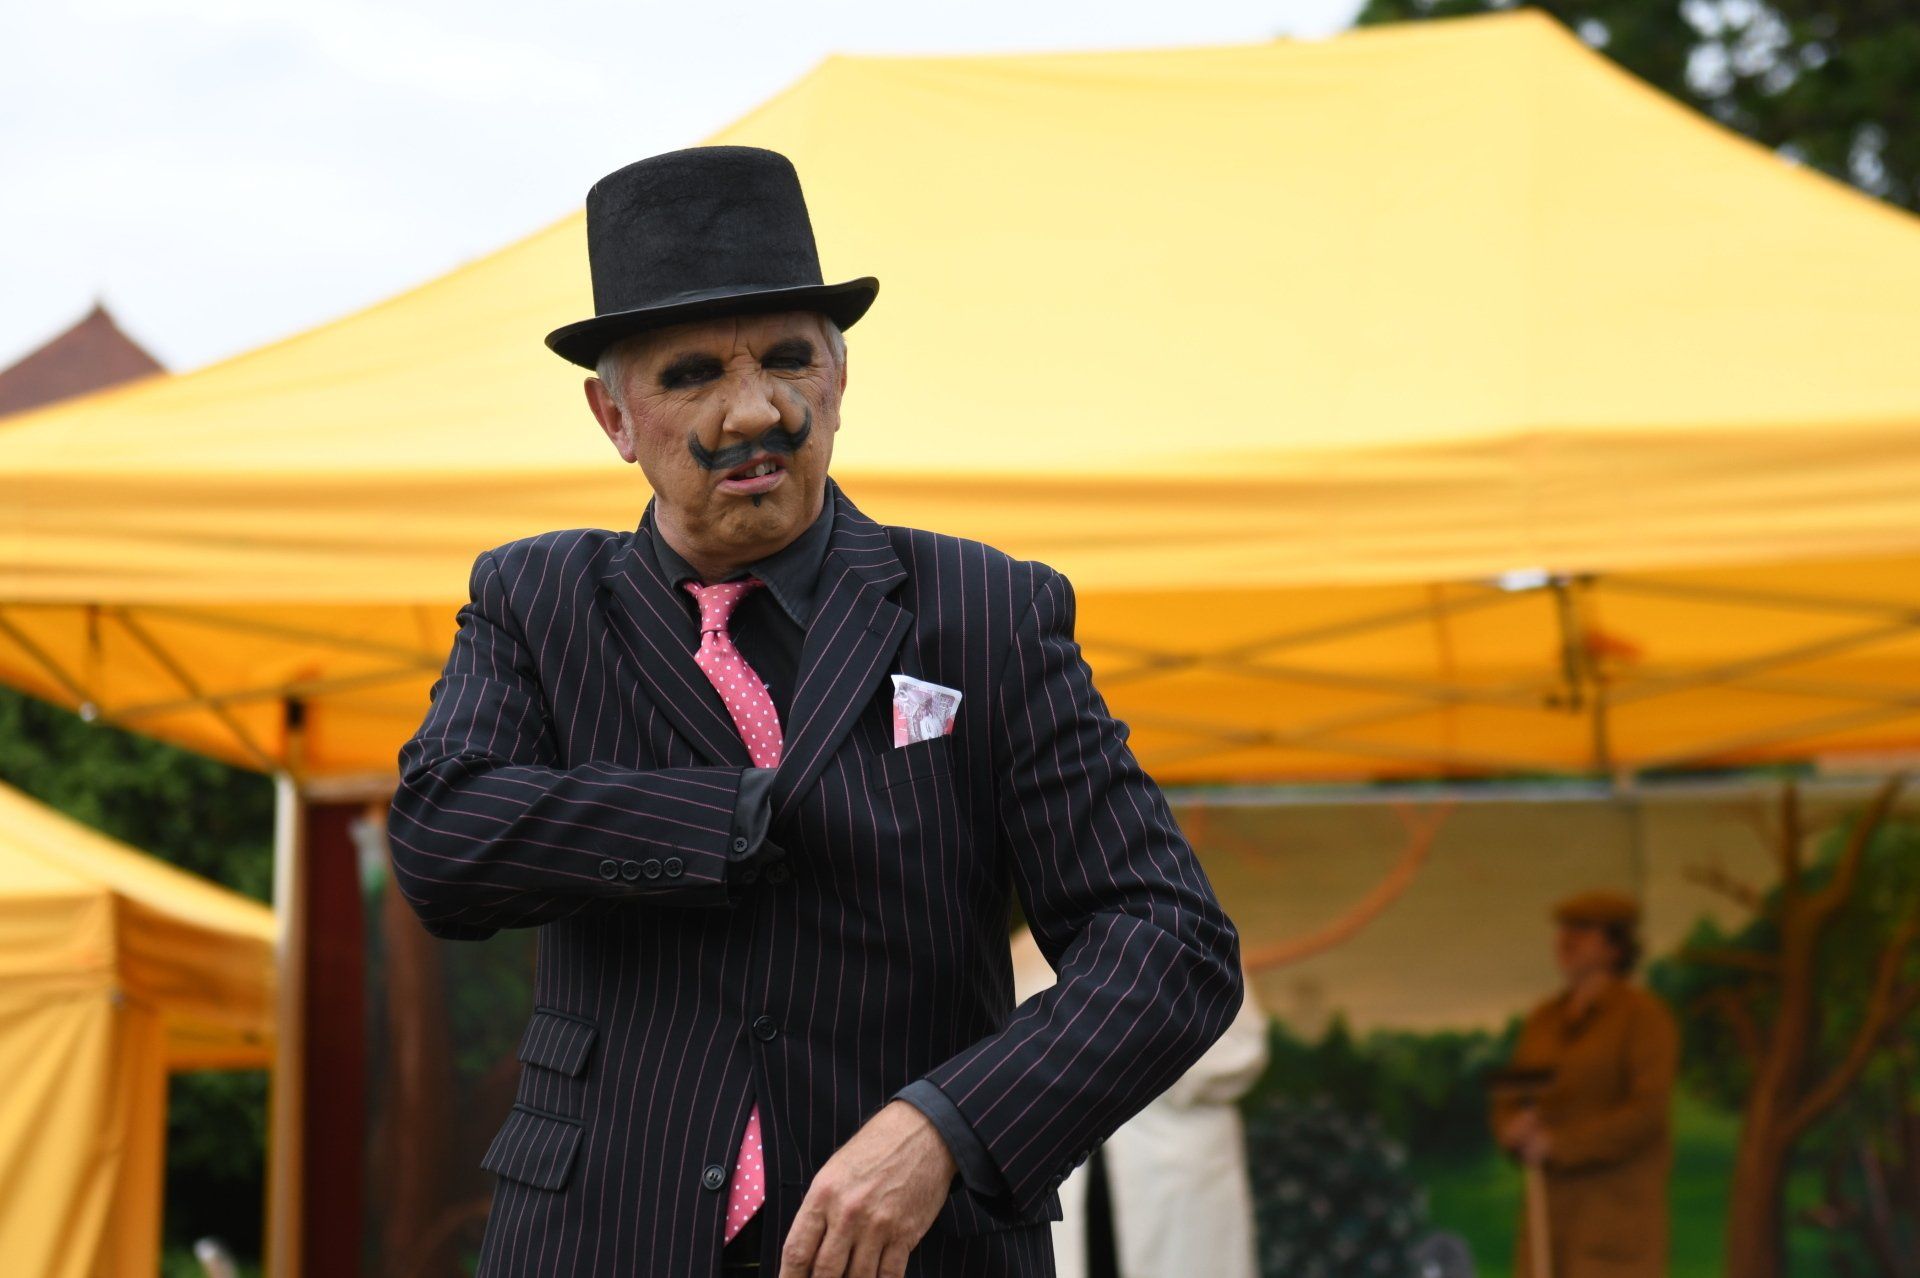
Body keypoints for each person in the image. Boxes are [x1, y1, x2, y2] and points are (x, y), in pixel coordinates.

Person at [386, 145, 1243, 1278]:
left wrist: (949, 1125)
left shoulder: (986, 608)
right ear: (613, 415)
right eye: (692, 373)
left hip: (925, 1249)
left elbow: (1170, 944)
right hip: (601, 1239)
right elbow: (445, 839)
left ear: (840, 374)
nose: (755, 410)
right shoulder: (536, 601)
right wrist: (728, 820)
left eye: (789, 358)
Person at [1012, 930, 1266, 1278]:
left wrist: (1128, 1061)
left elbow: (1241, 1052)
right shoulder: (1022, 954)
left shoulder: (1193, 935)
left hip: (1174, 1172)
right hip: (1063, 1178)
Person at [1491, 891, 1679, 1278]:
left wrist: (1559, 1145)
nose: (1566, 940)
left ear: (1615, 945)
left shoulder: (1644, 1019)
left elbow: (1646, 1113)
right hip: (1547, 1222)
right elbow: (1511, 1095)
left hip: (1611, 1227)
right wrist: (1511, 1130)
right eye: (1563, 929)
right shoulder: (1543, 1020)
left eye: (1582, 930)